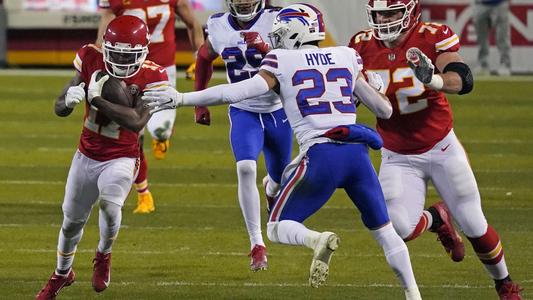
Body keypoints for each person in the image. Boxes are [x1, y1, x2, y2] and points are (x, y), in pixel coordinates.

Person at [143, 4, 423, 299]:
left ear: (298, 30)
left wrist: (181, 98)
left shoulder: (282, 60)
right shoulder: (346, 55)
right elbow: (385, 109)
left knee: (277, 227)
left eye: (281, 31)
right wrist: (363, 92)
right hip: (357, 156)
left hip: (321, 155)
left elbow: (233, 92)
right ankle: (413, 294)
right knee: (385, 232)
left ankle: (317, 239)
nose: (276, 37)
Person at [349, 0, 522, 299]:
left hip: (440, 146)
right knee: (398, 228)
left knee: (473, 223)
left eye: (391, 13)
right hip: (397, 154)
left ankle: (504, 284)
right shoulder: (361, 45)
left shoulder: (431, 35)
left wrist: (435, 79)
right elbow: (347, 93)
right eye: (379, 15)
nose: (385, 20)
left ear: (411, 12)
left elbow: (463, 79)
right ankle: (437, 218)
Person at [36, 15, 170, 299]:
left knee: (110, 206)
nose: (121, 59)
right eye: (116, 52)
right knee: (71, 222)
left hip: (122, 156)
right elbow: (58, 107)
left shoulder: (154, 74)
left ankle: (103, 254)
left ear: (143, 50)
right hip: (86, 154)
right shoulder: (89, 56)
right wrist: (68, 100)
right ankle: (61, 274)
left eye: (128, 53)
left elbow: (136, 122)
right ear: (106, 47)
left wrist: (97, 100)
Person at [192, 0, 293, 271]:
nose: (243, 2)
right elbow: (204, 57)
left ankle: (271, 189)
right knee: (245, 168)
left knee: (281, 177)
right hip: (243, 110)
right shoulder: (218, 24)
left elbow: (295, 62)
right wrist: (200, 102)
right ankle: (257, 244)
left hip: (278, 109)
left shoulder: (278, 18)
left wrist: (267, 50)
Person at [96, 0, 205, 214]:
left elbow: (193, 23)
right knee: (132, 133)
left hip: (162, 71)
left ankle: (162, 136)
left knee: (159, 130)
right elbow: (104, 32)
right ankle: (143, 193)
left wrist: (198, 57)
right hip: (127, 70)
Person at [472, 0, 511, 76]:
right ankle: (483, 64)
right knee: (481, 38)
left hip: (500, 3)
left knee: (502, 36)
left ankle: (505, 64)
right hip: (480, 3)